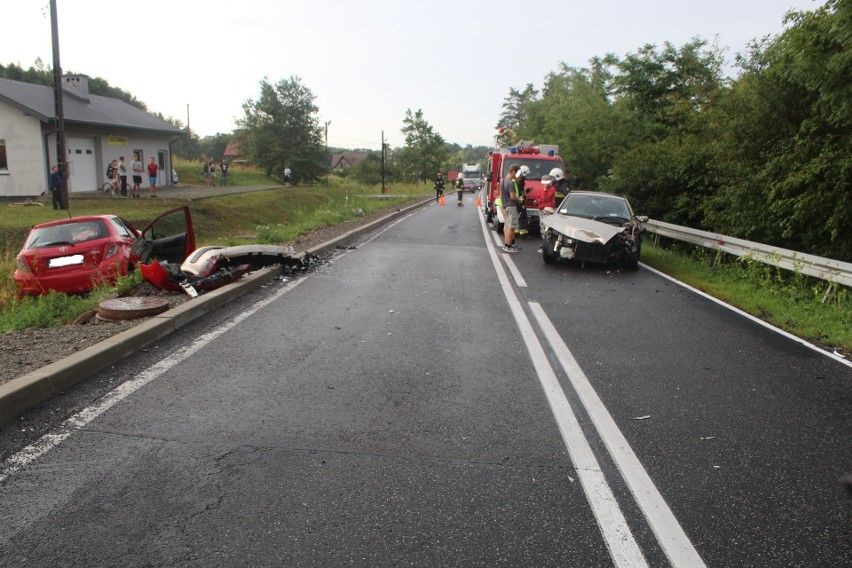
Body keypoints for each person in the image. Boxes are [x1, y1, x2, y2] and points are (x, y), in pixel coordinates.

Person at [500, 164, 521, 252]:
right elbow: (512, 196)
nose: (517, 175)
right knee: (511, 227)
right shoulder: (511, 182)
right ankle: (509, 245)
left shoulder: (503, 180)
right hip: (511, 206)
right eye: (516, 173)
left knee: (506, 225)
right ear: (513, 172)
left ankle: (505, 244)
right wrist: (519, 198)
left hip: (504, 205)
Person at [515, 165, 530, 238]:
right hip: (520, 202)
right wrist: (522, 202)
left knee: (518, 218)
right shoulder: (520, 182)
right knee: (523, 218)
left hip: (518, 202)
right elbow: (520, 193)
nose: (526, 176)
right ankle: (524, 234)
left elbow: (521, 192)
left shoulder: (519, 181)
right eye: (526, 174)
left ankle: (516, 232)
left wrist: (527, 191)